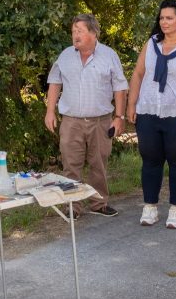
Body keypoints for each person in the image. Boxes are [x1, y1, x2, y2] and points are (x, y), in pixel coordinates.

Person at [126, 0, 176, 230]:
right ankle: (150, 207)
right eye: (162, 18)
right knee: (150, 160)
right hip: (149, 111)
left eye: (170, 18)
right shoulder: (151, 44)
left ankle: (175, 208)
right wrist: (132, 105)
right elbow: (138, 74)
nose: (164, 22)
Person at [45, 14, 129, 217]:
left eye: (80, 31)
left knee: (98, 164)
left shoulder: (109, 55)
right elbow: (55, 82)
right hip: (71, 121)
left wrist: (120, 117)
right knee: (71, 165)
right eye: (73, 31)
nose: (75, 35)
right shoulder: (65, 55)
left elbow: (120, 87)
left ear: (93, 33)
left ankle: (99, 205)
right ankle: (73, 207)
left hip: (100, 121)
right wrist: (49, 111)